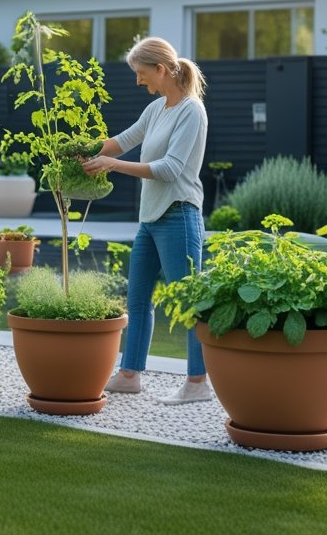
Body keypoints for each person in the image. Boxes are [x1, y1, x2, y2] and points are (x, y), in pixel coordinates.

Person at [80, 37, 211, 404]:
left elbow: (170, 170)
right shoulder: (156, 109)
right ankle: (129, 374)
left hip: (179, 215)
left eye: (141, 73)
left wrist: (113, 166)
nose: (138, 81)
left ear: (161, 70)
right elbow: (121, 142)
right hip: (150, 219)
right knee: (137, 300)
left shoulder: (191, 111)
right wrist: (83, 150)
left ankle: (198, 382)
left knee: (188, 302)